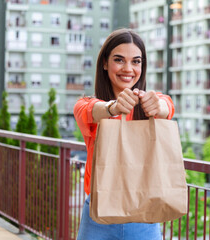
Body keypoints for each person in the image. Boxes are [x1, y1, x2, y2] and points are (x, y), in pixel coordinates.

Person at [74, 28, 174, 240]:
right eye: (119, 60)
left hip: (144, 217)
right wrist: (113, 108)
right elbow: (90, 110)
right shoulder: (88, 105)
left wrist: (158, 105)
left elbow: (168, 106)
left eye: (136, 61)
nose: (128, 68)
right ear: (104, 63)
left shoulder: (151, 105)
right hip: (98, 215)